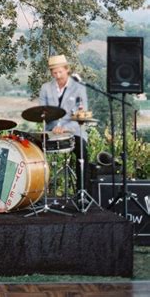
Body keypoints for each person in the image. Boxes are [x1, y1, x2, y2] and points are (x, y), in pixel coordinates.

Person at [39, 54, 89, 194]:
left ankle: (82, 192)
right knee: (34, 150)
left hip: (74, 131)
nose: (58, 75)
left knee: (82, 151)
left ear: (67, 70)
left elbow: (82, 114)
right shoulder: (45, 88)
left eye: (60, 72)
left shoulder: (79, 88)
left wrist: (65, 128)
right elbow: (43, 112)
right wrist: (51, 123)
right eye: (54, 73)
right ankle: (38, 192)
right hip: (51, 131)